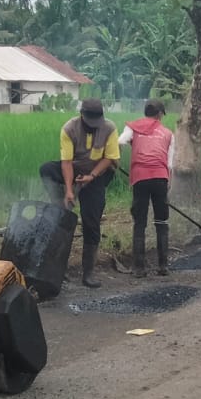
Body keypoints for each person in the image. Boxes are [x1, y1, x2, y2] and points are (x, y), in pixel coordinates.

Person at [39, 97, 119, 289]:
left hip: (97, 173)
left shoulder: (109, 128)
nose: (93, 126)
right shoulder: (69, 128)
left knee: (91, 222)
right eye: (89, 122)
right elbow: (66, 162)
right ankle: (62, 205)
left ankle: (88, 273)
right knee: (47, 169)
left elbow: (109, 158)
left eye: (96, 123)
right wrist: (68, 189)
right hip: (74, 169)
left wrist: (91, 176)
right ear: (82, 115)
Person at [119, 100, 175, 278]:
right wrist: (168, 184)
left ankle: (138, 268)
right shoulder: (168, 133)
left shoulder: (133, 128)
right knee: (161, 222)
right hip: (160, 178)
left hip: (140, 178)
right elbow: (170, 164)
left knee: (140, 223)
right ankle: (163, 266)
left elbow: (120, 141)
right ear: (159, 114)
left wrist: (117, 159)